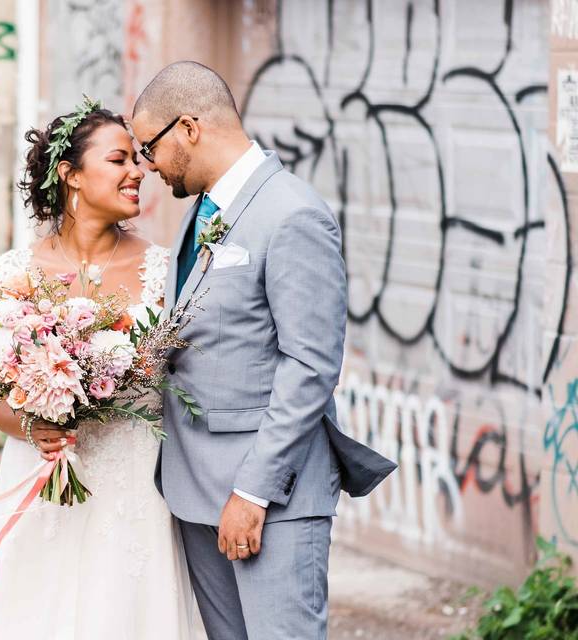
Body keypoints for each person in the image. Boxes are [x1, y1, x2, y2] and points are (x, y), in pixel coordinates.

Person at [130, 61, 396, 639]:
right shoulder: (201, 211)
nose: (146, 165)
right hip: (194, 487)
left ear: (190, 127)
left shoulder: (293, 214)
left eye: (149, 146)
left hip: (268, 494)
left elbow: (311, 366)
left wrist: (252, 493)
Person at [0, 102, 197, 639]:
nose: (138, 171)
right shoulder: (14, 273)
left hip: (135, 484)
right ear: (70, 174)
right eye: (119, 159)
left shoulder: (164, 270)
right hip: (42, 482)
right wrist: (32, 425)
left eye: (138, 159)